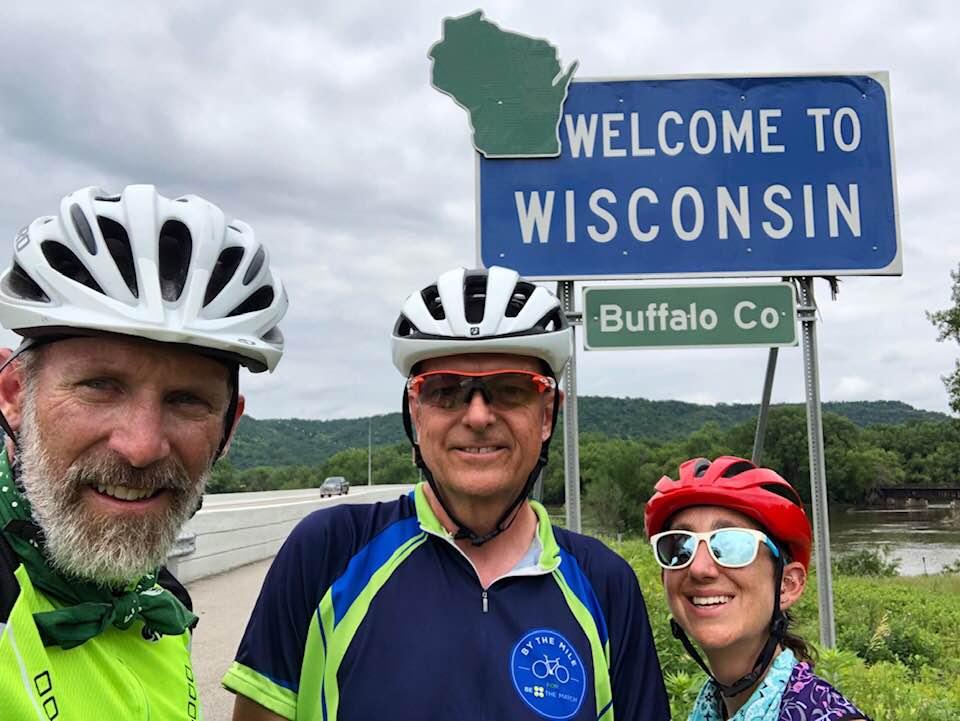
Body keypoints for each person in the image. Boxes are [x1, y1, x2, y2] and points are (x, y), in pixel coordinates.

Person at [225, 266, 669, 721]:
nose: (477, 416)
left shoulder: (604, 583)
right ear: (416, 414)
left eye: (511, 390)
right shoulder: (330, 552)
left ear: (548, 415)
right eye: (445, 391)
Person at [0, 184, 287, 719]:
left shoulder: (161, 601)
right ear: (15, 396)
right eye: (99, 386)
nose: (140, 448)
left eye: (187, 400)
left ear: (229, 429)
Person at [645, 456, 871, 721]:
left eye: (731, 544)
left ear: (787, 585)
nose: (699, 568)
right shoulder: (712, 708)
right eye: (680, 547)